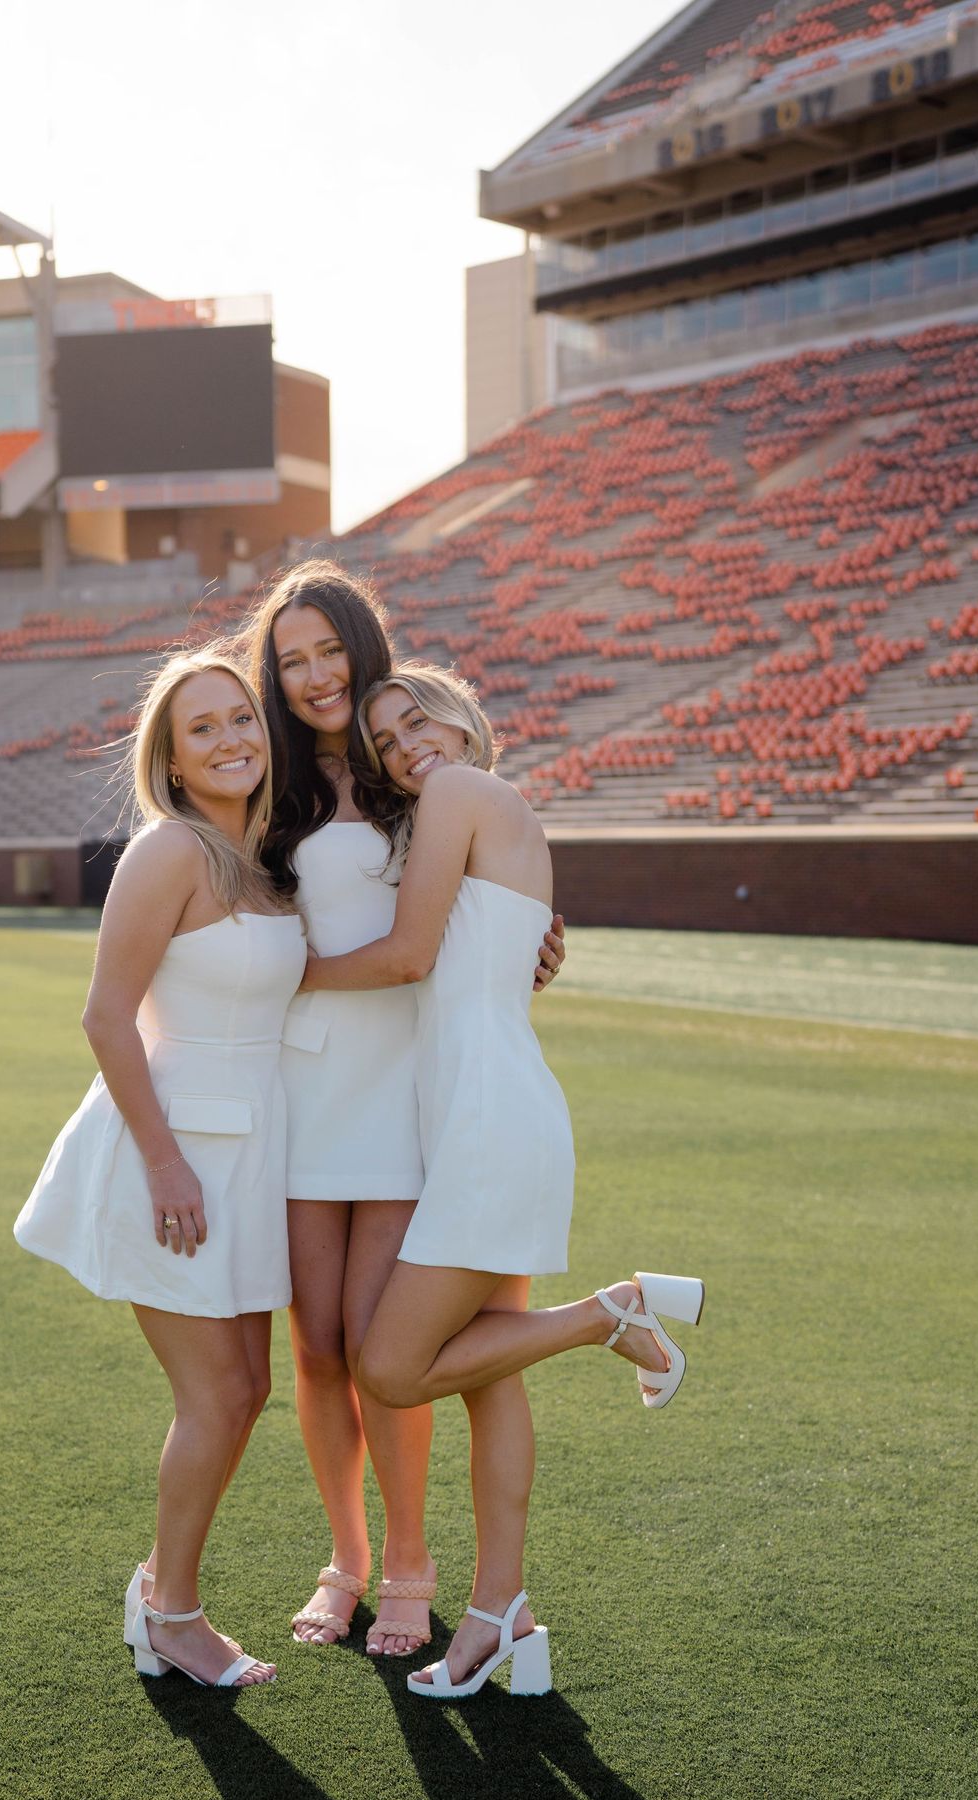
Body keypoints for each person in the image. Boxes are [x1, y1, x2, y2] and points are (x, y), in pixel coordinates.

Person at [298, 662, 706, 1699]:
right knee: (486, 1378)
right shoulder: (478, 810)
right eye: (386, 739)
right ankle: (500, 1614)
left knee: (390, 1367)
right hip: (479, 1117)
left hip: (486, 1125)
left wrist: (273, 979)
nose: (404, 745)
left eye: (417, 718)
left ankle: (607, 1314)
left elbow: (407, 956)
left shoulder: (460, 794)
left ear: (465, 719)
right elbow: (481, 957)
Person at [243, 562, 566, 1659]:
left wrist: (536, 939)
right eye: (292, 661)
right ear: (275, 679)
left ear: (364, 652)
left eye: (330, 650)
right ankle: (346, 1562)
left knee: (385, 1339)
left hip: (405, 1083)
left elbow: (471, 913)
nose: (316, 674)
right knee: (320, 1347)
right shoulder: (267, 791)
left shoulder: (417, 777)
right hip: (301, 1078)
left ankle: (413, 1569)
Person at [15, 648, 305, 1690]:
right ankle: (171, 1614)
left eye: (243, 719)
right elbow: (105, 1018)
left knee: (249, 1387)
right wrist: (165, 1163)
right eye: (205, 729)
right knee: (216, 1395)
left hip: (248, 1153)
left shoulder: (269, 861)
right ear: (173, 762)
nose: (232, 739)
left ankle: (160, 1591)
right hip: (170, 1154)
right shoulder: (169, 853)